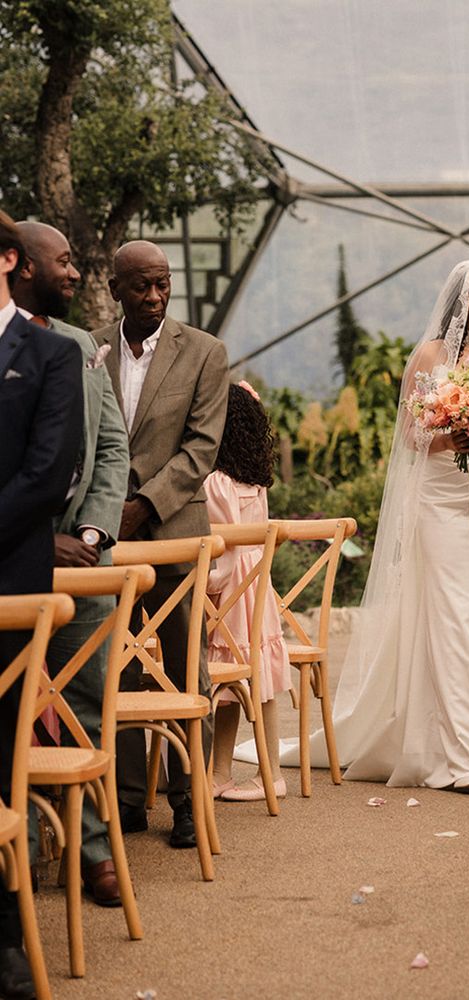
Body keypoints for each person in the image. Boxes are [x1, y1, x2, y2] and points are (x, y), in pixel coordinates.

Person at [328, 260, 469, 790]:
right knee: (453, 622)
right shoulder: (428, 357)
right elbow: (410, 437)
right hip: (443, 501)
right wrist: (451, 438)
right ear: (468, 302)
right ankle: (463, 751)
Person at [92, 241, 229, 849]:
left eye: (163, 284)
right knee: (111, 670)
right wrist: (101, 516)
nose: (154, 296)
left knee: (184, 670)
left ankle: (186, 803)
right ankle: (125, 804)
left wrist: (141, 506)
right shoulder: (87, 347)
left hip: (173, 536)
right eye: (142, 286)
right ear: (117, 288)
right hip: (106, 544)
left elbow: (201, 447)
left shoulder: (204, 352)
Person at [14, 221, 130, 908]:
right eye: (62, 261)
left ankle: (90, 849)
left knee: (85, 704)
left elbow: (112, 446)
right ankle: (22, 853)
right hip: (15, 560)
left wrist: (92, 528)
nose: (77, 271)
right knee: (16, 712)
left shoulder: (83, 345)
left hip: (85, 560)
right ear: (19, 265)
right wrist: (34, 542)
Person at [0, 209, 83, 999]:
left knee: (0, 762)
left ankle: (5, 938)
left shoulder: (50, 355)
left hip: (9, 589)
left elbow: (47, 475)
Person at [206, 381, 293, 802]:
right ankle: (223, 772)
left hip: (230, 592)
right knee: (249, 682)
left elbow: (220, 553)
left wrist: (203, 590)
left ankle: (270, 774)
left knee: (240, 682)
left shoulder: (215, 484)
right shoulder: (254, 480)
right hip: (255, 586)